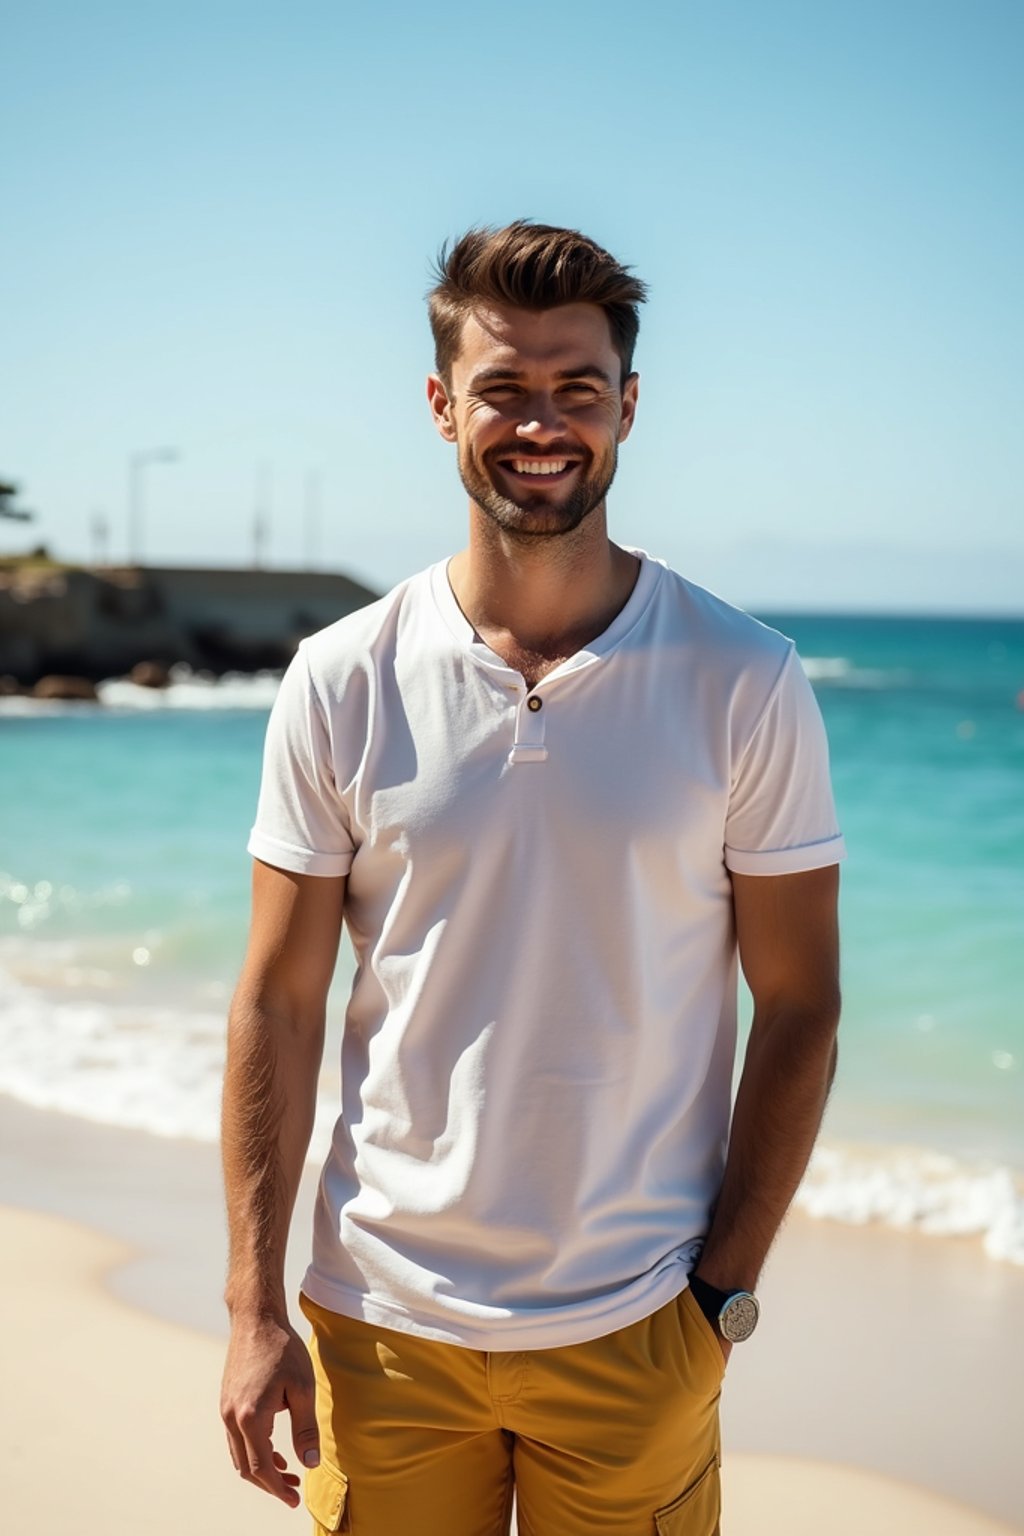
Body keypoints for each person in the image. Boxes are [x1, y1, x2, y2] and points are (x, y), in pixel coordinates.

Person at [220, 220, 844, 1536]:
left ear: (628, 405)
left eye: (577, 388)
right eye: (504, 389)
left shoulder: (745, 680)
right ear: (444, 407)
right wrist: (251, 1309)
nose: (541, 423)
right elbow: (277, 1003)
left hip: (638, 1324)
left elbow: (799, 1005)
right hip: (378, 1327)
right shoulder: (343, 678)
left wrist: (723, 1293)